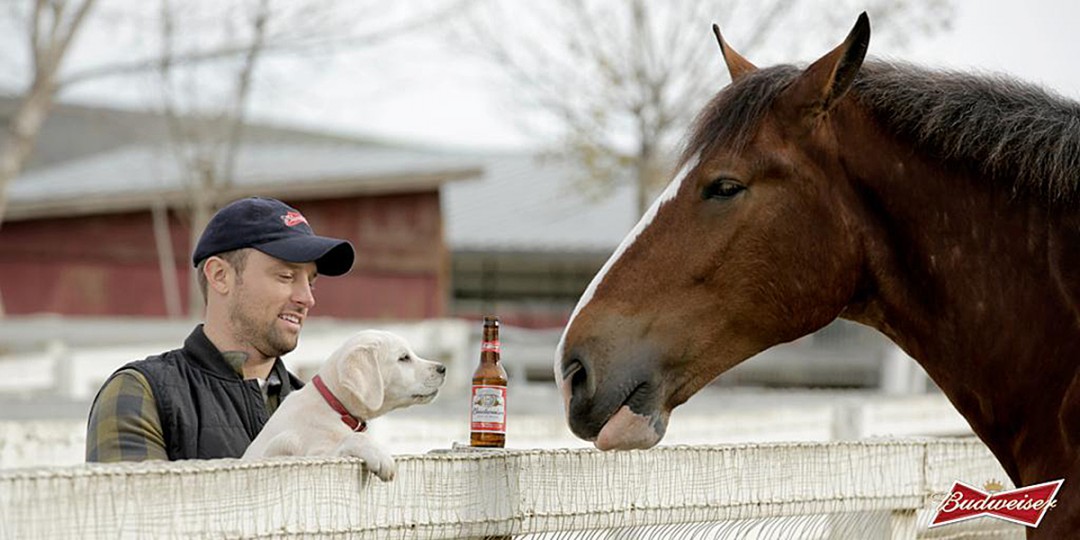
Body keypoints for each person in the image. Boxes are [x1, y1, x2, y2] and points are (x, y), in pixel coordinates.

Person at [85, 197, 355, 462]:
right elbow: (131, 506)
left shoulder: (318, 410)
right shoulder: (142, 394)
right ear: (220, 276)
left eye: (311, 282)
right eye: (286, 276)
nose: (307, 298)